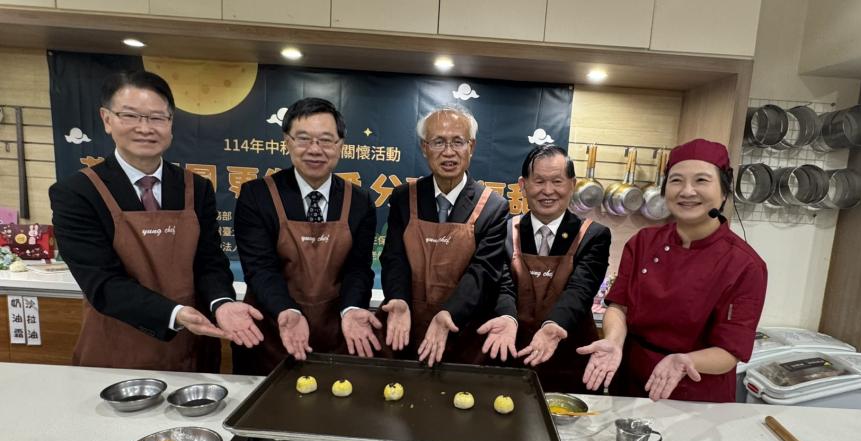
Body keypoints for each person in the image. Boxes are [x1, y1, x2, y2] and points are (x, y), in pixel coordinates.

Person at [49, 70, 263, 372]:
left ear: (171, 124)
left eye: (157, 118)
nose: (144, 128)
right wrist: (175, 313)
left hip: (194, 347)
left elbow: (210, 262)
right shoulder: (77, 193)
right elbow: (103, 284)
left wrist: (222, 303)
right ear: (107, 119)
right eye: (131, 116)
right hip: (117, 351)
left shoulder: (195, 188)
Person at [579, 138, 767, 402]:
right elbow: (618, 307)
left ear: (724, 191)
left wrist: (684, 360)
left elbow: (730, 351)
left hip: (695, 392)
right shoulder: (643, 242)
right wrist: (613, 340)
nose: (687, 191)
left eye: (701, 180)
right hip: (630, 383)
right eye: (677, 180)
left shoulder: (744, 265)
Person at [233, 98, 378, 374]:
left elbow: (358, 270)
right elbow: (260, 269)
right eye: (303, 139)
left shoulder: (359, 201)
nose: (314, 150)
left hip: (335, 335)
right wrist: (287, 310)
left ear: (340, 146)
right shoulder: (257, 195)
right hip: (271, 333)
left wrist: (350, 310)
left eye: (326, 140)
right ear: (286, 142)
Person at [379, 106, 509, 366]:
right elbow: (394, 258)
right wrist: (398, 298)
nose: (448, 152)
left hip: (462, 330)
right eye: (438, 142)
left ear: (471, 146)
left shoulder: (493, 206)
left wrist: (449, 313)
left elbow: (483, 272)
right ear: (424, 147)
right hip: (407, 327)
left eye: (457, 142)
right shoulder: (405, 197)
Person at [479, 144, 611, 393]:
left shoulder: (594, 235)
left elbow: (580, 291)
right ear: (523, 184)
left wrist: (554, 325)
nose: (548, 191)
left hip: (569, 359)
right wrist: (507, 316)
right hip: (513, 354)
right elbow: (501, 286)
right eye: (539, 181)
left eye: (557, 181)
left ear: (572, 185)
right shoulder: (505, 230)